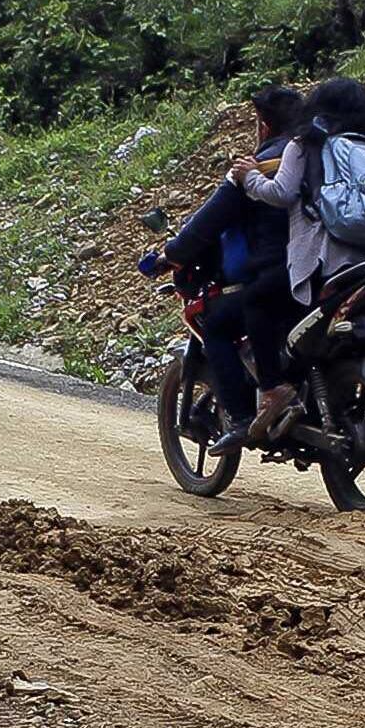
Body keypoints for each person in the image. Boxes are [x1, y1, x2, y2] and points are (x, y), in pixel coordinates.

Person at [229, 76, 365, 441]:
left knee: (257, 301)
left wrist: (248, 177)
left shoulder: (306, 142)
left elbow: (281, 193)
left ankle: (273, 390)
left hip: (326, 262)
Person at [138, 84, 302, 453]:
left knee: (218, 325)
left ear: (263, 125)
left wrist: (170, 256)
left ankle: (242, 417)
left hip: (279, 275)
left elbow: (207, 223)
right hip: (329, 272)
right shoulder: (319, 159)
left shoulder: (255, 167)